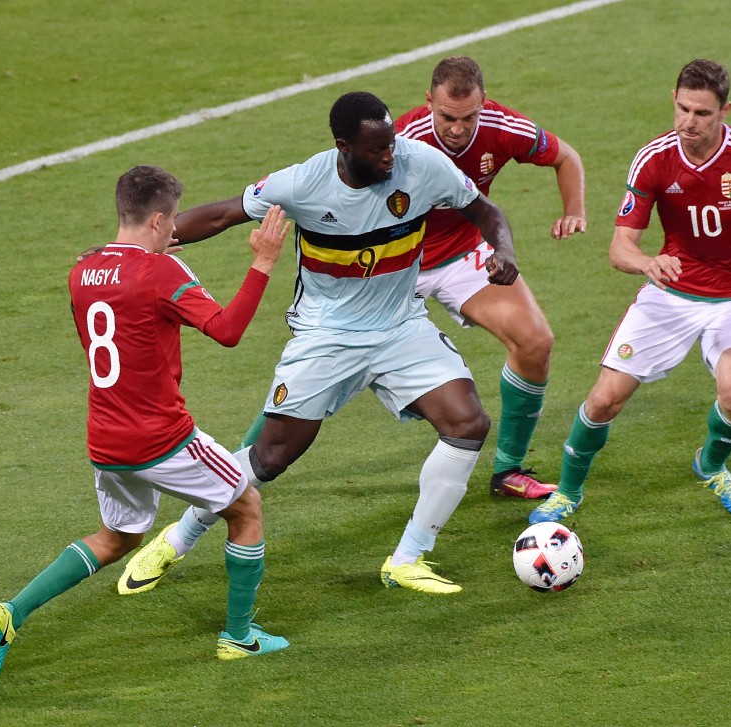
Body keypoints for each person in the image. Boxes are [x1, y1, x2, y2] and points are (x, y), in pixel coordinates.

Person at [118, 91, 521, 596]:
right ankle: (177, 538)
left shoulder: (421, 165)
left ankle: (408, 558)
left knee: (467, 424)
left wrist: (504, 250)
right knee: (270, 457)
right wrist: (131, 250)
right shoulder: (302, 183)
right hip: (327, 336)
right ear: (343, 147)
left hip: (400, 326)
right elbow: (222, 216)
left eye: (392, 144)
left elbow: (485, 211)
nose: (390, 156)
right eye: (377, 150)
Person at [0, 165, 292, 684]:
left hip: (107, 439)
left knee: (118, 538)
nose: (176, 231)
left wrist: (151, 260)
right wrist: (263, 262)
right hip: (162, 438)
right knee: (246, 508)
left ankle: (12, 613)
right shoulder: (162, 272)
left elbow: (119, 300)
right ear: (158, 219)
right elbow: (227, 330)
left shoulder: (82, 270)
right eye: (172, 222)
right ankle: (239, 636)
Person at [529, 58, 731, 524]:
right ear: (673, 101)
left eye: (702, 113)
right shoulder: (654, 159)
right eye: (683, 109)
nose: (688, 122)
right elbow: (619, 248)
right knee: (604, 399)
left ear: (725, 111)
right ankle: (567, 494)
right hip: (670, 292)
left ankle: (711, 466)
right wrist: (647, 262)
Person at [395, 55, 586, 499]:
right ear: (428, 102)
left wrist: (574, 211)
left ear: (484, 102)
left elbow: (567, 157)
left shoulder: (502, 126)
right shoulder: (402, 140)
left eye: (469, 117)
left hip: (463, 254)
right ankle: (248, 461)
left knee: (535, 342)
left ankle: (508, 471)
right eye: (448, 117)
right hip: (396, 265)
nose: (458, 129)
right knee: (325, 364)